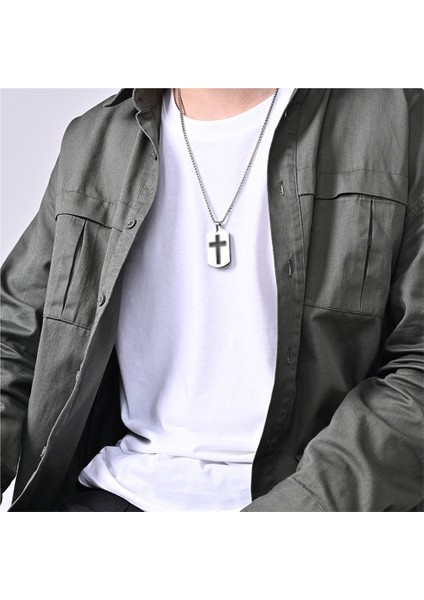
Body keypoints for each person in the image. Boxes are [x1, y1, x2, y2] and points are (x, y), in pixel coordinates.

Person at [1, 88, 423, 512]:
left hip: (310, 498)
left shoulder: (397, 123)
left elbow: (416, 369)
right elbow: (14, 338)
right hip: (119, 492)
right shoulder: (95, 140)